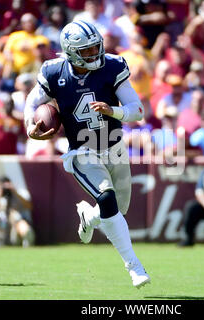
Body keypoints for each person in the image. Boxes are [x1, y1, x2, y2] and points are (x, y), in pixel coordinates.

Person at [24, 20, 150, 288]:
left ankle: (88, 217)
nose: (95, 55)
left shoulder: (113, 65)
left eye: (96, 48)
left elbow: (137, 110)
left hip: (115, 148)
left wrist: (112, 111)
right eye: (87, 51)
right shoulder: (53, 71)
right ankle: (134, 267)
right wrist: (29, 127)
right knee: (107, 199)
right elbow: (33, 102)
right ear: (70, 51)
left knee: (116, 210)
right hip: (82, 151)